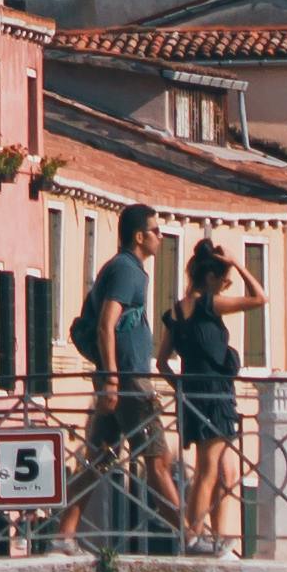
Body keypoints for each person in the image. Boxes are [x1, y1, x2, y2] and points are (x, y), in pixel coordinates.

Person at [73, 207, 171, 540]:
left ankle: (64, 535)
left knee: (97, 459)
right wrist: (113, 380)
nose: (161, 236)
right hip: (129, 381)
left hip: (120, 379)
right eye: (156, 231)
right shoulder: (127, 271)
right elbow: (105, 324)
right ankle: (191, 534)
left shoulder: (121, 269)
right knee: (159, 459)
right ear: (139, 236)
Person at [172, 243, 248, 547]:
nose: (226, 287)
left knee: (227, 471)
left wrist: (180, 388)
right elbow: (260, 298)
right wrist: (238, 263)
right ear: (211, 278)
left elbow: (164, 358)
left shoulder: (177, 310)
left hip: (204, 394)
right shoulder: (209, 305)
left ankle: (217, 538)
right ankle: (193, 534)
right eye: (225, 281)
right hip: (213, 395)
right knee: (208, 469)